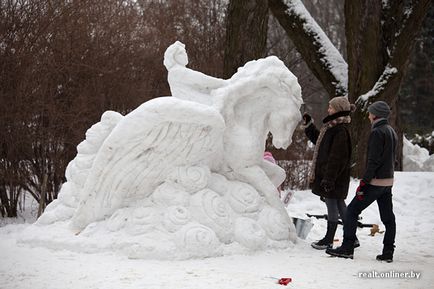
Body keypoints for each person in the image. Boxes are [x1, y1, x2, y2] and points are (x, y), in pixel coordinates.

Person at [326, 101, 398, 262]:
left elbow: (373, 161)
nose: (368, 115)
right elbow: (393, 158)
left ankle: (347, 247)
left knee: (351, 211)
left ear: (375, 114)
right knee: (388, 218)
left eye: (370, 112)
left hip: (375, 182)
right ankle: (388, 251)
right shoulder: (391, 131)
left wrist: (364, 183)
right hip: (388, 182)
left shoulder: (377, 132)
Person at [302, 97, 356, 250]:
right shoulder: (332, 128)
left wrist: (329, 179)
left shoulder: (340, 131)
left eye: (331, 108)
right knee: (339, 204)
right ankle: (353, 237)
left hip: (334, 177)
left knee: (332, 204)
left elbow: (337, 158)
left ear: (338, 110)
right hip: (332, 176)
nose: (328, 110)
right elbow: (320, 143)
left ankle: (329, 239)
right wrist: (309, 125)